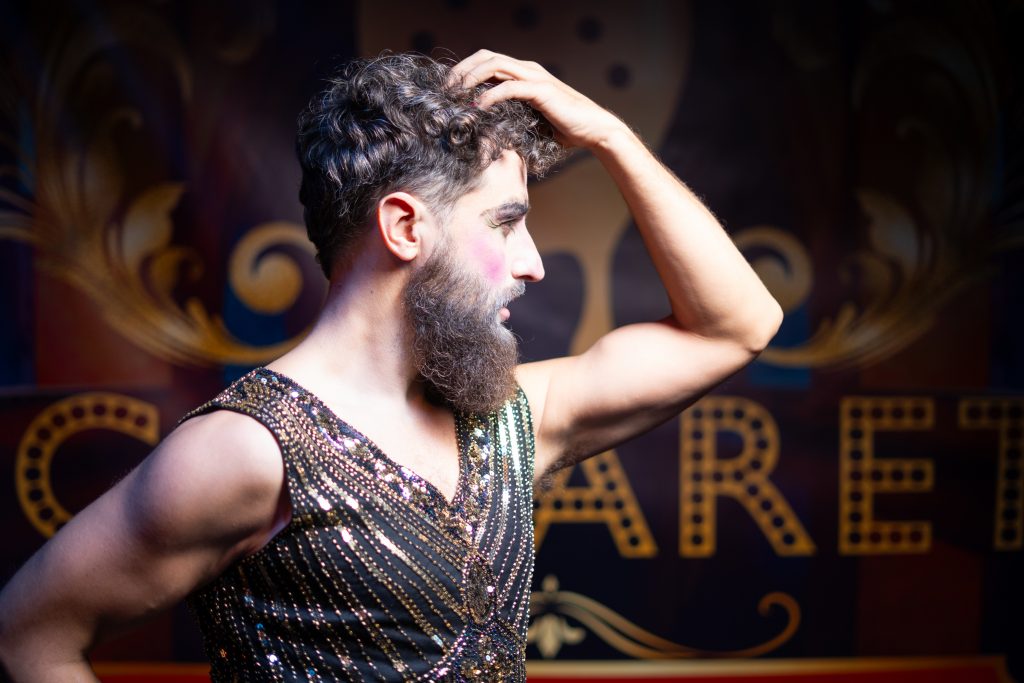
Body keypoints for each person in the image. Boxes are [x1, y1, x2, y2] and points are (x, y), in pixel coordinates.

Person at [0, 50, 782, 681]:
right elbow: (24, 637)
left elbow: (738, 327)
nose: (534, 263)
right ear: (405, 227)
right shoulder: (247, 451)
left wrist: (611, 136)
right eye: (505, 223)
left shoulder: (513, 417)